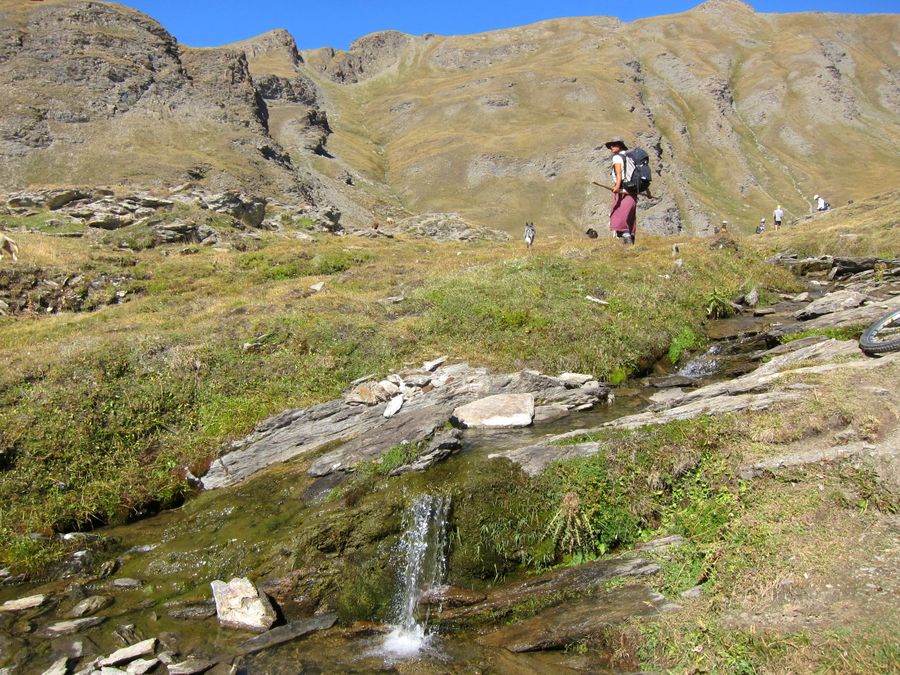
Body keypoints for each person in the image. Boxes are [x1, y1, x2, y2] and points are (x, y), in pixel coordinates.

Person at [604, 136, 636, 244]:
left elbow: (619, 173)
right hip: (633, 190)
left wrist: (617, 186)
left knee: (617, 213)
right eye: (610, 146)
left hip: (622, 190)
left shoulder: (617, 158)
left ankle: (626, 237)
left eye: (614, 144)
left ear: (620, 145)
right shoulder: (631, 158)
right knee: (629, 215)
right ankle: (630, 240)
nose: (612, 147)